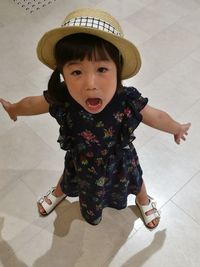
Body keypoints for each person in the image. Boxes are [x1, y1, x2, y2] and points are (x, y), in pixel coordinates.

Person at [0, 8, 191, 229]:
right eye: (77, 72)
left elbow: (156, 116)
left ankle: (143, 200)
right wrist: (14, 108)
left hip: (119, 159)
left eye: (102, 69)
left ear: (118, 70)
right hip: (81, 158)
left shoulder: (126, 100)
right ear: (63, 73)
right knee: (70, 176)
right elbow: (34, 103)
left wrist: (176, 128)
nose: (90, 84)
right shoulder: (63, 97)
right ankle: (60, 191)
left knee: (135, 179)